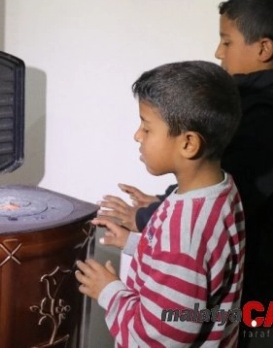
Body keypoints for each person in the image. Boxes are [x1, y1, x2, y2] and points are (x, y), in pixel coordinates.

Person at [99, 0, 273, 346]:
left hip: (260, 294)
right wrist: (154, 220)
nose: (218, 52)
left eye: (226, 41)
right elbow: (207, 189)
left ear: (263, 49)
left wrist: (149, 219)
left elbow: (167, 331)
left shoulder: (271, 123)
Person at [75, 61, 245, 347]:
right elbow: (191, 269)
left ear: (189, 144)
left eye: (147, 127)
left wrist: (109, 291)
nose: (137, 136)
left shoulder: (183, 232)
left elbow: (158, 339)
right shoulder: (220, 191)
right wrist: (135, 243)